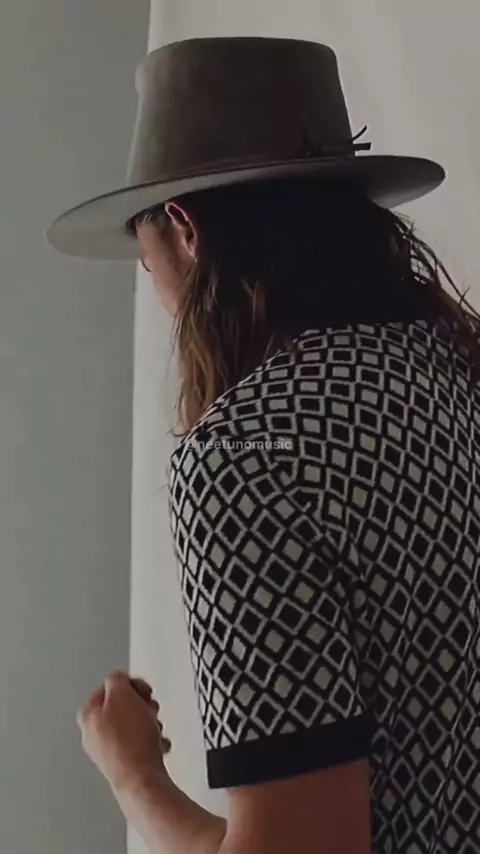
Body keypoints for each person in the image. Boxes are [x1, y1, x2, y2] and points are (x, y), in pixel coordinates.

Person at [49, 37, 479, 854]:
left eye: (145, 258)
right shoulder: (460, 367)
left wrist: (132, 775)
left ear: (184, 228)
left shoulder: (247, 458)